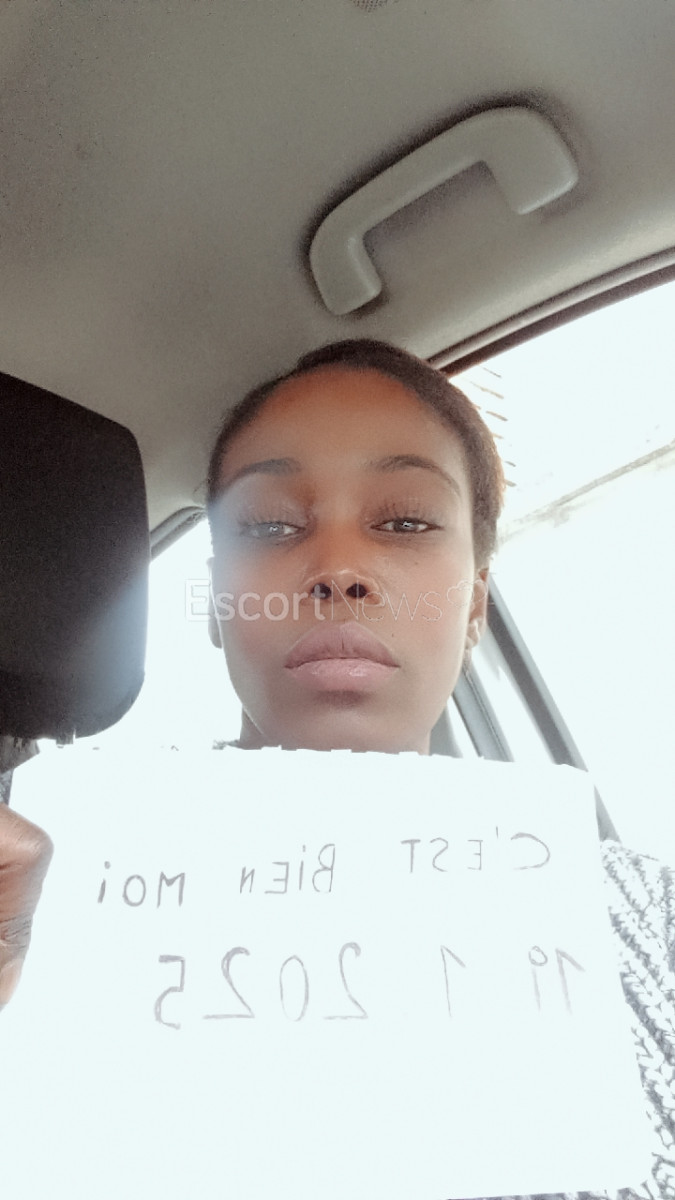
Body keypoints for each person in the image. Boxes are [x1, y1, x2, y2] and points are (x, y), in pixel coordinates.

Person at [2, 339, 674, 1199]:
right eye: (269, 526)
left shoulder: (645, 917)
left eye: (405, 522)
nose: (339, 570)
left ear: (473, 602)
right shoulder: (42, 895)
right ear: (215, 604)